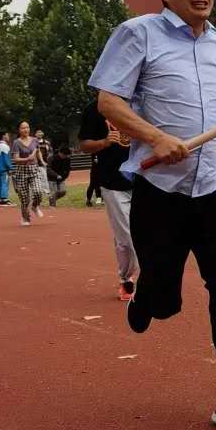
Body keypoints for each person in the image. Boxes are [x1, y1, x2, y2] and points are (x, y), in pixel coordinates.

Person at [88, 0, 216, 430]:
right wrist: (156, 137)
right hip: (159, 192)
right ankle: (148, 295)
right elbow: (108, 101)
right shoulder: (137, 33)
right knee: (166, 300)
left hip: (214, 188)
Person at [79, 99, 137, 301]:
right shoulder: (95, 109)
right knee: (127, 236)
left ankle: (145, 277)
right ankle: (127, 279)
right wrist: (104, 142)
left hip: (145, 179)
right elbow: (84, 145)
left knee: (147, 232)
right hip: (113, 182)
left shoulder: (143, 99)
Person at [11, 121, 45, 225]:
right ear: (19, 130)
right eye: (23, 128)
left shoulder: (35, 140)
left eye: (27, 127)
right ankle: (25, 218)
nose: (26, 130)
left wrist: (42, 161)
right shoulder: (16, 143)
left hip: (34, 169)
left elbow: (38, 151)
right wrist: (27, 159)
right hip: (21, 170)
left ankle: (35, 206)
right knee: (24, 197)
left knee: (38, 191)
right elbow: (15, 159)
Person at [0, 133, 13, 206]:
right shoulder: (5, 146)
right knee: (5, 183)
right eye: (7, 135)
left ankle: (1, 199)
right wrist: (10, 168)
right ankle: (5, 199)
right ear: (3, 136)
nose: (8, 136)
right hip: (4, 168)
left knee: (1, 183)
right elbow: (6, 158)